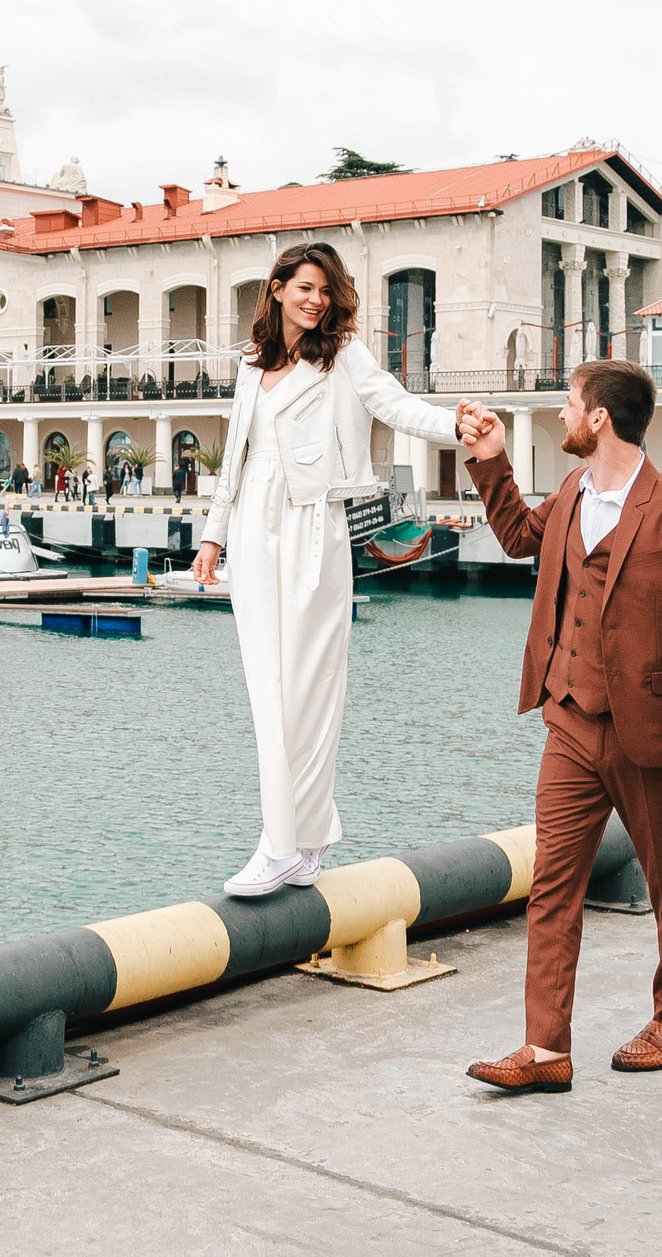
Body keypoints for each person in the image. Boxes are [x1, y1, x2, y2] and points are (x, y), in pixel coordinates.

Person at [454, 361, 662, 1093]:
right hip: (570, 721)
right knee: (552, 885)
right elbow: (519, 536)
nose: (561, 414)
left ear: (601, 417)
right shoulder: (571, 493)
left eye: (570, 403)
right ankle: (546, 1049)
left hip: (652, 733)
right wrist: (490, 458)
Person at [191, 241, 461, 897]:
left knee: (308, 691)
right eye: (304, 287)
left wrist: (464, 427)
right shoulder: (251, 365)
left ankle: (281, 845)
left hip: (315, 527)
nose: (315, 300)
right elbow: (236, 456)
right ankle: (303, 844)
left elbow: (397, 406)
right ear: (277, 288)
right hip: (256, 527)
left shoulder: (343, 357)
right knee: (268, 690)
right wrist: (213, 536)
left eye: (325, 290)